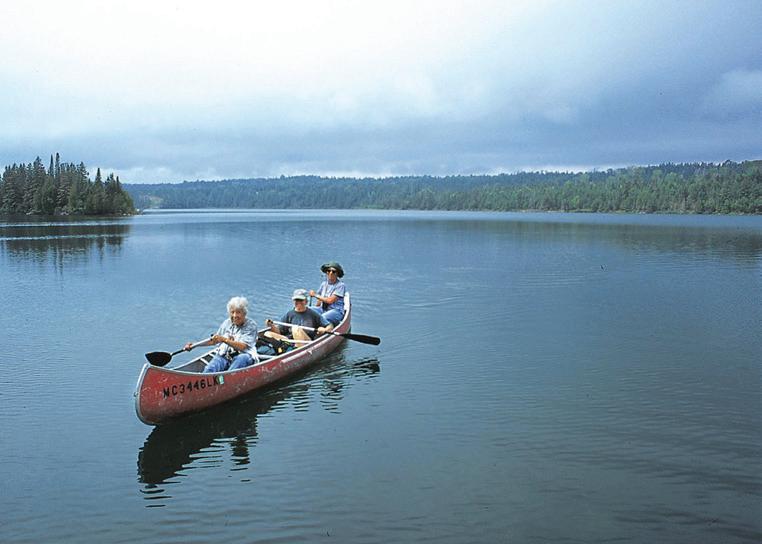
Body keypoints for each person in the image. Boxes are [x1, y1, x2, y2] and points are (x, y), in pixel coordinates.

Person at [184, 296, 258, 373]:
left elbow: (242, 346)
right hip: (225, 355)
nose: (235, 315)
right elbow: (214, 340)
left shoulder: (251, 325)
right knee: (210, 369)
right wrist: (194, 345)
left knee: (241, 359)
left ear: (244, 313)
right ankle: (207, 376)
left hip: (244, 355)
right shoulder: (227, 323)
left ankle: (229, 377)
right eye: (232, 312)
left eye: (238, 312)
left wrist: (224, 339)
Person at [265, 288, 333, 346]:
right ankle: (287, 348)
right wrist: (271, 326)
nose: (298, 302)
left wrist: (325, 330)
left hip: (306, 342)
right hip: (290, 341)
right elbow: (280, 332)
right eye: (296, 300)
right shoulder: (289, 314)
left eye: (301, 300)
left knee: (295, 328)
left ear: (306, 301)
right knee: (267, 334)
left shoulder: (312, 313)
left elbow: (330, 325)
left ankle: (296, 349)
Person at [309, 261, 346, 326]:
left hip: (336, 311)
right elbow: (319, 299)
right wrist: (316, 307)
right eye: (329, 271)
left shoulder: (340, 285)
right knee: (307, 311)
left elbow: (330, 301)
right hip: (323, 309)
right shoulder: (324, 284)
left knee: (322, 317)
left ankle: (327, 327)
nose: (330, 273)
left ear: (337, 274)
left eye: (333, 271)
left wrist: (315, 295)